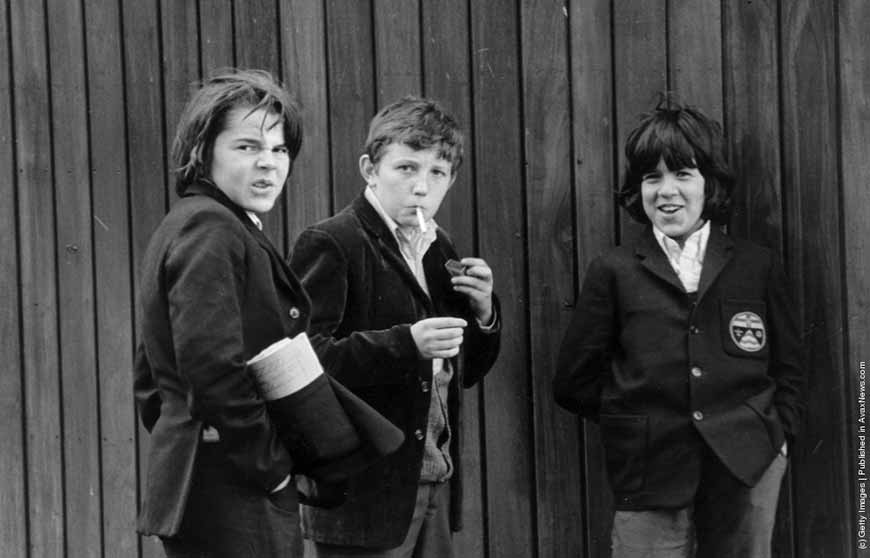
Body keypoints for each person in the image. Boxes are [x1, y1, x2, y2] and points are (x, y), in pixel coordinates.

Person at [553, 99, 805, 558]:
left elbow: (789, 368)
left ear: (709, 184)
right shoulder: (613, 271)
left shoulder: (757, 266)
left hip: (747, 465)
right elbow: (572, 382)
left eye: (683, 174)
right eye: (653, 177)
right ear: (638, 189)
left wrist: (776, 439)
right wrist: (635, 422)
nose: (667, 191)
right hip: (649, 470)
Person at [289, 96, 501, 558]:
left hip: (431, 481)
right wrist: (406, 343)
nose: (421, 188)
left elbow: (463, 371)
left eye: (437, 173)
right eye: (406, 168)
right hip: (363, 490)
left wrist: (484, 313)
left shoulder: (438, 245)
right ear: (370, 169)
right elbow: (304, 362)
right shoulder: (332, 241)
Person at [133, 69, 307, 557]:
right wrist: (268, 468)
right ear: (202, 152)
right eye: (247, 147)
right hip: (235, 491)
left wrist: (189, 437)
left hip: (206, 482)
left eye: (279, 150)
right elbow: (210, 369)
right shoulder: (212, 228)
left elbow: (151, 379)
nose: (269, 165)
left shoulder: (192, 223)